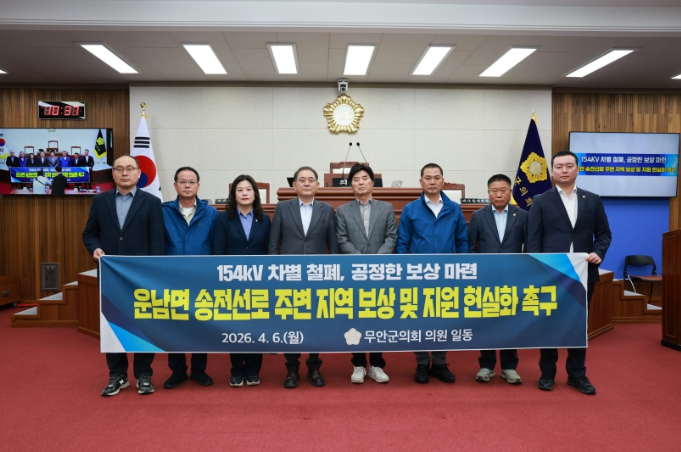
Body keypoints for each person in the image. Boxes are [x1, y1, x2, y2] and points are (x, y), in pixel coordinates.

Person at [527, 150, 612, 395]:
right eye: (559, 166)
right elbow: (533, 240)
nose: (564, 170)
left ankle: (577, 374)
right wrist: (537, 270)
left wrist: (598, 252)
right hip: (550, 273)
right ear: (552, 171)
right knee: (549, 323)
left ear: (577, 169)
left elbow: (604, 234)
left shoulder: (592, 200)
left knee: (578, 324)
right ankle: (547, 373)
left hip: (583, 273)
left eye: (569, 165)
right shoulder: (541, 201)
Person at [82, 155, 165, 396]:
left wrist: (154, 273)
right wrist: (95, 249)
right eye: (119, 169)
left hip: (141, 276)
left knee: (144, 323)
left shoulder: (152, 202)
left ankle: (144, 374)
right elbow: (90, 233)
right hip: (111, 275)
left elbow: (157, 240)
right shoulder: (100, 201)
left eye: (130, 168)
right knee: (113, 324)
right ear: (113, 174)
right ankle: (117, 375)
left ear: (139, 173)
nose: (125, 173)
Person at [396, 162, 468, 384]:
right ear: (421, 182)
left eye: (436, 177)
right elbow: (402, 244)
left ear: (443, 181)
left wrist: (462, 269)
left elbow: (462, 241)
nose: (432, 181)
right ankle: (421, 362)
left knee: (443, 319)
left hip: (447, 274)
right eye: (428, 178)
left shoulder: (454, 208)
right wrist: (404, 272)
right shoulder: (410, 209)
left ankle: (439, 362)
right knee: (418, 320)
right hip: (419, 275)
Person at [268, 166, 340, 388]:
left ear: (318, 185)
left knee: (315, 323)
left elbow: (333, 247)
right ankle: (291, 369)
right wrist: (273, 273)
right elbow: (274, 244)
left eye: (311, 180)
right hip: (288, 277)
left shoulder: (327, 210)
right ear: (294, 185)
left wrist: (333, 275)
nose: (306, 183)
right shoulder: (283, 208)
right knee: (290, 322)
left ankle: (314, 367)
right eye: (302, 180)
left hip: (318, 277)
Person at [336, 163, 396, 384]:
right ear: (351, 184)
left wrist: (376, 260)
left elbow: (391, 237)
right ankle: (359, 364)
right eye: (356, 179)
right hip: (354, 272)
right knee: (355, 317)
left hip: (380, 272)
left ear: (372, 182)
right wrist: (361, 261)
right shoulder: (342, 211)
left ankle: (377, 365)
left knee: (380, 317)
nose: (360, 182)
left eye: (364, 178)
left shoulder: (386, 208)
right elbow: (342, 239)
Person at [162, 166, 219, 389]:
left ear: (198, 186)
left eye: (191, 182)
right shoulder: (163, 211)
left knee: (200, 324)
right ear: (175, 185)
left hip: (201, 278)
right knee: (174, 325)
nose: (187, 185)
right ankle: (177, 371)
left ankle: (198, 370)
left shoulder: (211, 213)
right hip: (171, 277)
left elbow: (215, 246)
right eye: (183, 181)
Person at [468, 174, 527, 385]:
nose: (499, 194)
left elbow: (529, 247)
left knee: (511, 322)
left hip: (513, 278)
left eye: (503, 190)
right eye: (494, 191)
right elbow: (470, 248)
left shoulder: (523, 215)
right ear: (488, 193)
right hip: (487, 278)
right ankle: (487, 365)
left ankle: (509, 367)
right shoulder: (478, 216)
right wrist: (481, 269)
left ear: (510, 192)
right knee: (487, 322)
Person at [215, 174, 271, 387]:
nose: (245, 193)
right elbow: (218, 251)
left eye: (248, 189)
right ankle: (237, 370)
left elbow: (269, 251)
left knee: (257, 326)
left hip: (259, 282)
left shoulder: (264, 219)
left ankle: (254, 370)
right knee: (236, 327)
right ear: (233, 195)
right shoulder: (223, 218)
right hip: (232, 282)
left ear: (255, 193)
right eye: (240, 190)